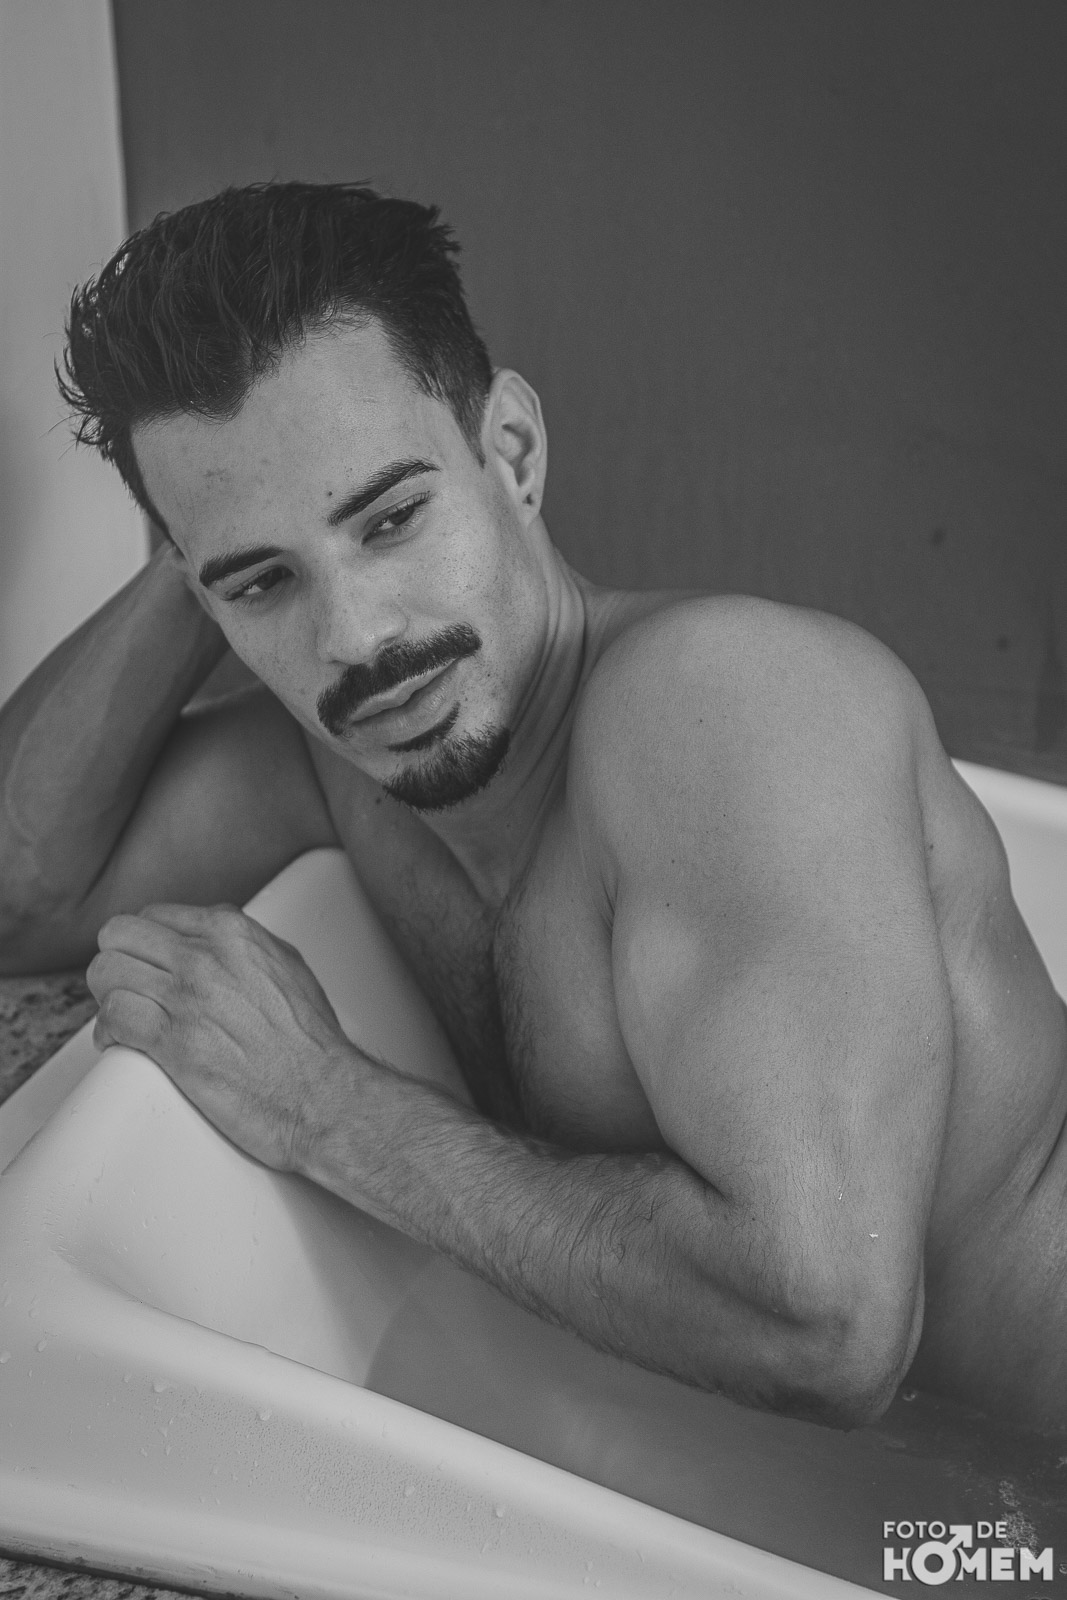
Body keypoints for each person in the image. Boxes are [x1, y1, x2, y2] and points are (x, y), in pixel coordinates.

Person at [0, 182, 1063, 1436]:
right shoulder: (348, 763)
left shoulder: (722, 705)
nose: (358, 638)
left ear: (509, 453)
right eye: (262, 584)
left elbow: (824, 1326)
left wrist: (323, 1105)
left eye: (390, 518)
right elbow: (24, 892)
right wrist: (213, 538)